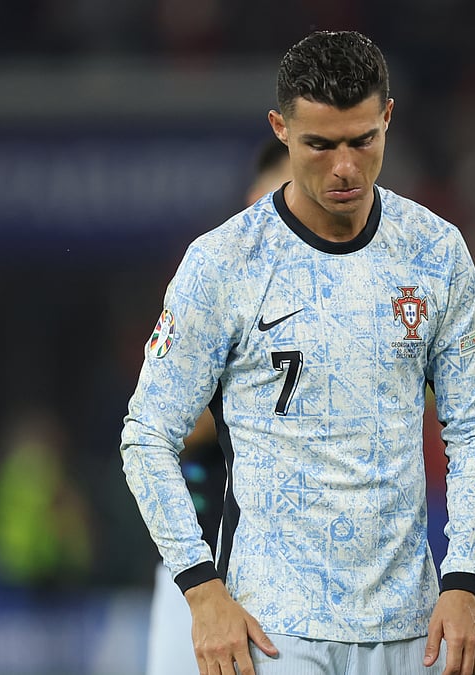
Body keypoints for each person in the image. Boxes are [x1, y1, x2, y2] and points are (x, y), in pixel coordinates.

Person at [120, 31, 475, 675]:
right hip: (274, 627)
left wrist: (465, 578)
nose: (345, 168)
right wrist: (202, 588)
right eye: (320, 145)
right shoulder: (223, 263)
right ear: (281, 129)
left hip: (410, 624)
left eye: (362, 140)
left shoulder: (436, 251)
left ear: (388, 117)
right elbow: (146, 435)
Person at [143, 136, 290, 675]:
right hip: (201, 568)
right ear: (253, 197)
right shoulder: (212, 280)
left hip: (300, 574)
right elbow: (165, 426)